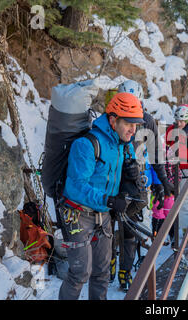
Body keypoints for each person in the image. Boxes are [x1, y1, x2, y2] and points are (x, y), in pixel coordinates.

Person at [58, 92, 144, 300]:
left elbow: (124, 181)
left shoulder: (126, 146)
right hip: (77, 215)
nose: (133, 130)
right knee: (80, 273)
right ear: (113, 120)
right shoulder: (87, 144)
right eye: (129, 123)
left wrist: (133, 177)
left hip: (104, 216)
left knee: (102, 273)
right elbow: (75, 186)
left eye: (136, 124)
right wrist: (109, 200)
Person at [110, 80, 174, 291]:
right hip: (110, 180)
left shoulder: (147, 121)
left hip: (135, 181)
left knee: (129, 228)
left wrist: (162, 181)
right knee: (107, 227)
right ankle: (110, 261)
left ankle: (125, 271)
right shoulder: (110, 120)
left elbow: (155, 154)